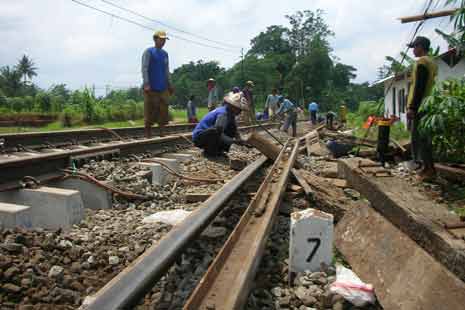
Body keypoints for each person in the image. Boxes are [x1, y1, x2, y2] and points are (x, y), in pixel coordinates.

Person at [406, 36, 438, 181]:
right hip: (427, 103)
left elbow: (419, 86)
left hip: (420, 106)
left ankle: (426, 169)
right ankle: (426, 167)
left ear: (421, 47)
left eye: (415, 47)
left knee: (419, 138)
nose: (413, 50)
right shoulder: (432, 62)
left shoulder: (422, 62)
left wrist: (412, 107)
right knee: (424, 138)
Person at [192, 92, 248, 157]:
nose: (240, 112)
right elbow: (218, 133)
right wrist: (233, 141)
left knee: (232, 127)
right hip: (199, 138)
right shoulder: (223, 114)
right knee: (216, 131)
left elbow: (234, 130)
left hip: (206, 135)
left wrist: (240, 139)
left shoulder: (230, 115)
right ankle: (210, 151)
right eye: (239, 109)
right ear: (233, 107)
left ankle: (219, 149)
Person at [142, 30, 174, 138]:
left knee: (163, 109)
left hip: (163, 87)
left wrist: (170, 84)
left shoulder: (165, 54)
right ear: (155, 39)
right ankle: (148, 132)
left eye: (164, 40)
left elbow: (166, 70)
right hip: (151, 87)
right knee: (150, 109)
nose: (163, 41)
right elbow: (144, 68)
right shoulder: (149, 52)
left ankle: (162, 131)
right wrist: (146, 83)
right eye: (161, 39)